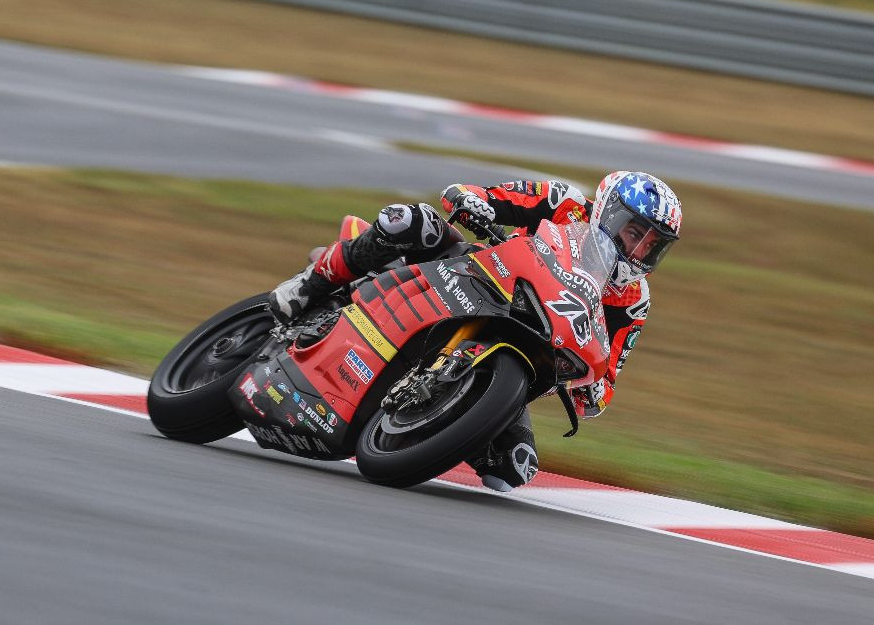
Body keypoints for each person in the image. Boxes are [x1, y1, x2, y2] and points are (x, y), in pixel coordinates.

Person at [268, 171, 682, 492]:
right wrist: (473, 203)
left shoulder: (633, 300)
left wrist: (590, 391)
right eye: (634, 233)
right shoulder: (565, 203)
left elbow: (608, 376)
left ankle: (424, 419)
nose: (640, 251)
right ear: (608, 212)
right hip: (480, 273)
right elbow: (478, 195)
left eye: (653, 246)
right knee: (409, 221)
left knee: (514, 469)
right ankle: (311, 285)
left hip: (527, 343)